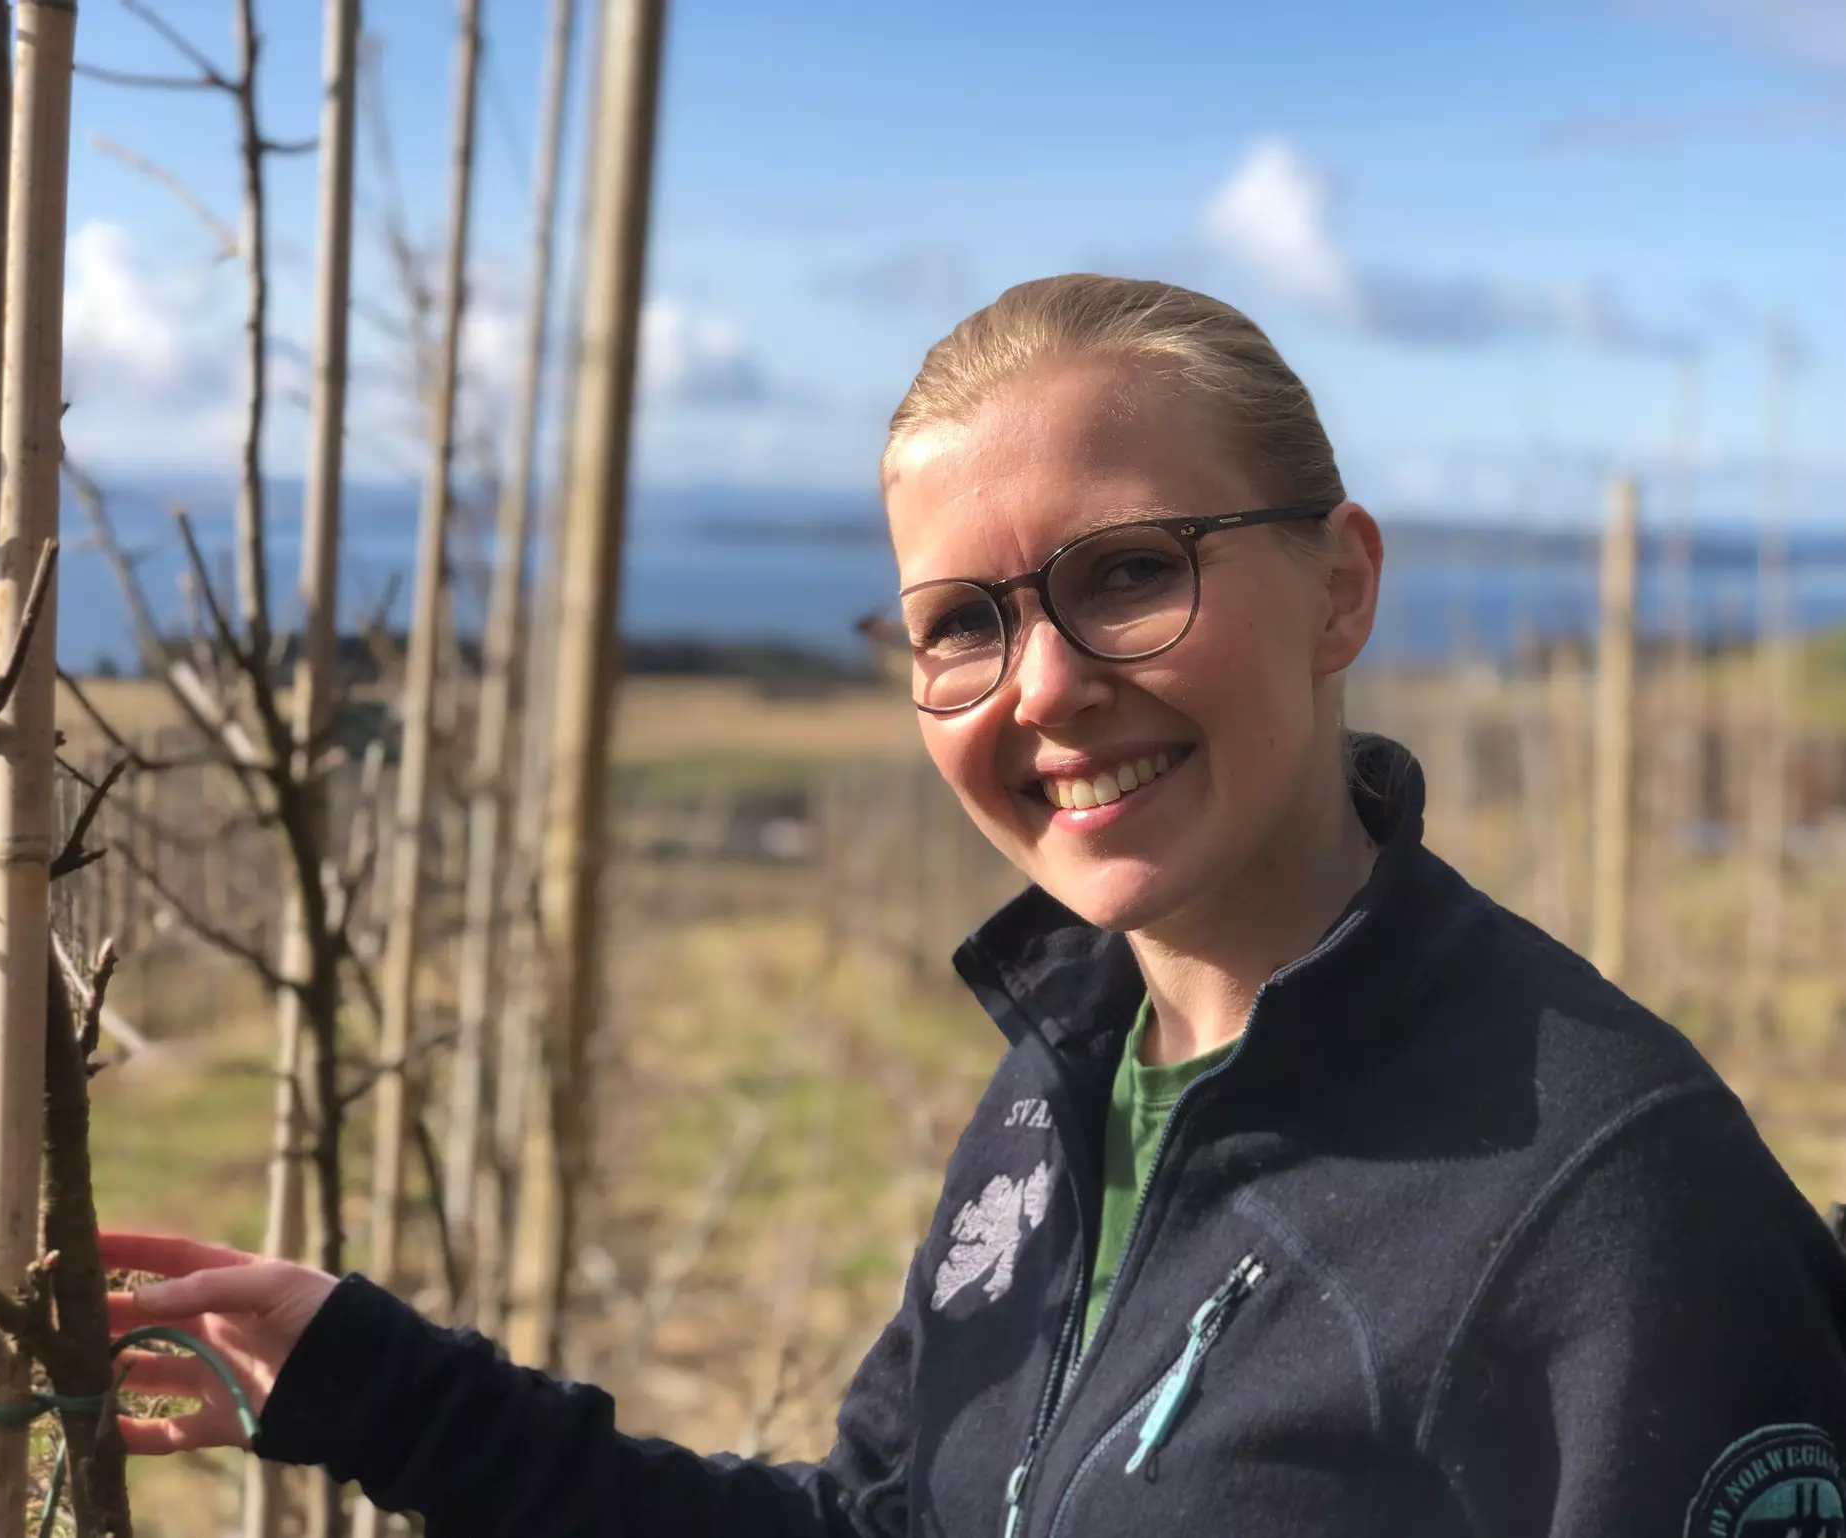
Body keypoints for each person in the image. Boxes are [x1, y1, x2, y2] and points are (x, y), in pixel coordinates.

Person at [101, 276, 1846, 1536]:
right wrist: (379, 1386)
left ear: (1341, 587)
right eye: (960, 624)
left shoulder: (1608, 1201)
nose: (1044, 686)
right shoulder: (1061, 1086)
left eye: (1128, 573)